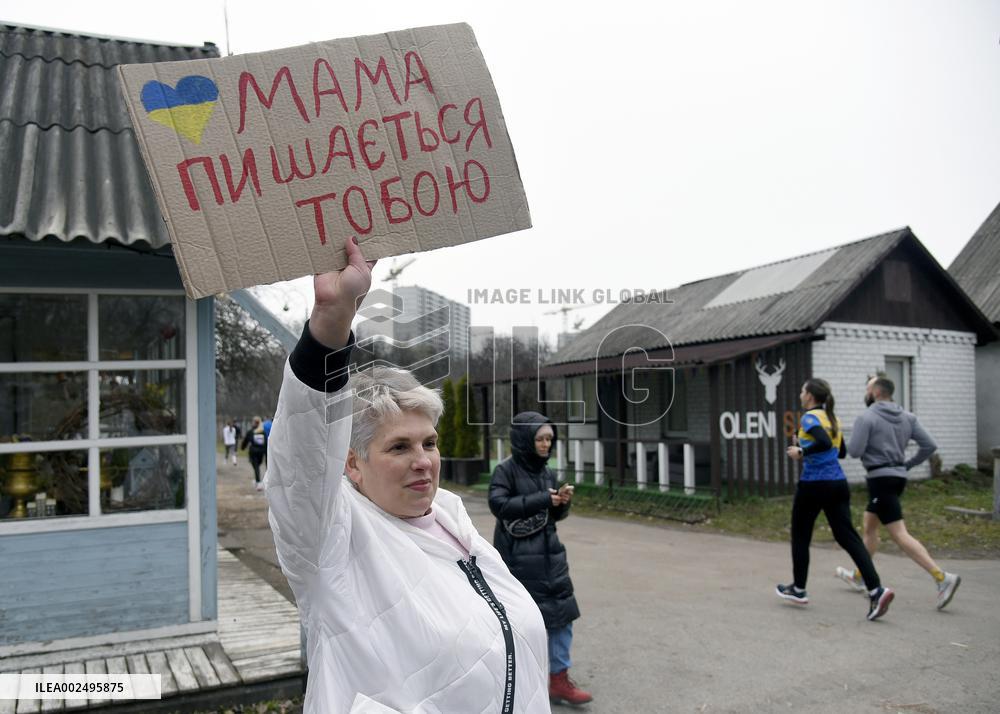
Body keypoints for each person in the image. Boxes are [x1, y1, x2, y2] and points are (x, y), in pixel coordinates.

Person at [265, 237, 550, 713]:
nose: (423, 460)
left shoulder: (452, 521)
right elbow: (301, 461)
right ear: (352, 464)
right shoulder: (330, 542)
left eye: (430, 443)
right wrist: (332, 323)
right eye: (399, 446)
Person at [489, 413, 593, 706]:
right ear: (525, 440)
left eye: (549, 438)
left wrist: (561, 503)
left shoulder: (547, 472)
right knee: (524, 622)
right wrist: (544, 499)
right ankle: (522, 679)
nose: (547, 444)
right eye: (540, 438)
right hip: (518, 560)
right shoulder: (505, 471)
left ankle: (558, 680)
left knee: (563, 614)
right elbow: (499, 505)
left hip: (551, 555)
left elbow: (552, 515)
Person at [836, 375, 960, 609]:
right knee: (870, 525)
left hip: (880, 480)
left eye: (867, 388)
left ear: (875, 392)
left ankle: (942, 578)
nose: (866, 392)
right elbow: (929, 445)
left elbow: (854, 451)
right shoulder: (907, 417)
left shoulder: (867, 416)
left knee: (899, 533)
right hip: (897, 478)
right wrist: (908, 464)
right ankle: (861, 576)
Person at [776, 378, 894, 621]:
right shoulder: (833, 419)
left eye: (802, 390)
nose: (800, 393)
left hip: (813, 485)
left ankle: (798, 589)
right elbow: (838, 451)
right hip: (838, 484)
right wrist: (806, 443)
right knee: (848, 537)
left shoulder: (809, 417)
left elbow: (823, 442)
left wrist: (802, 451)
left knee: (800, 535)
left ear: (809, 396)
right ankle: (876, 590)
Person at [240, 416, 267, 491]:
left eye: (253, 422)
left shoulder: (251, 432)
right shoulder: (263, 432)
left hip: (254, 452)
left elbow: (246, 441)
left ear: (256, 423)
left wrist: (242, 447)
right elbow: (266, 443)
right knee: (257, 466)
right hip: (261, 452)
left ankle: (258, 482)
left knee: (256, 467)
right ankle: (257, 480)